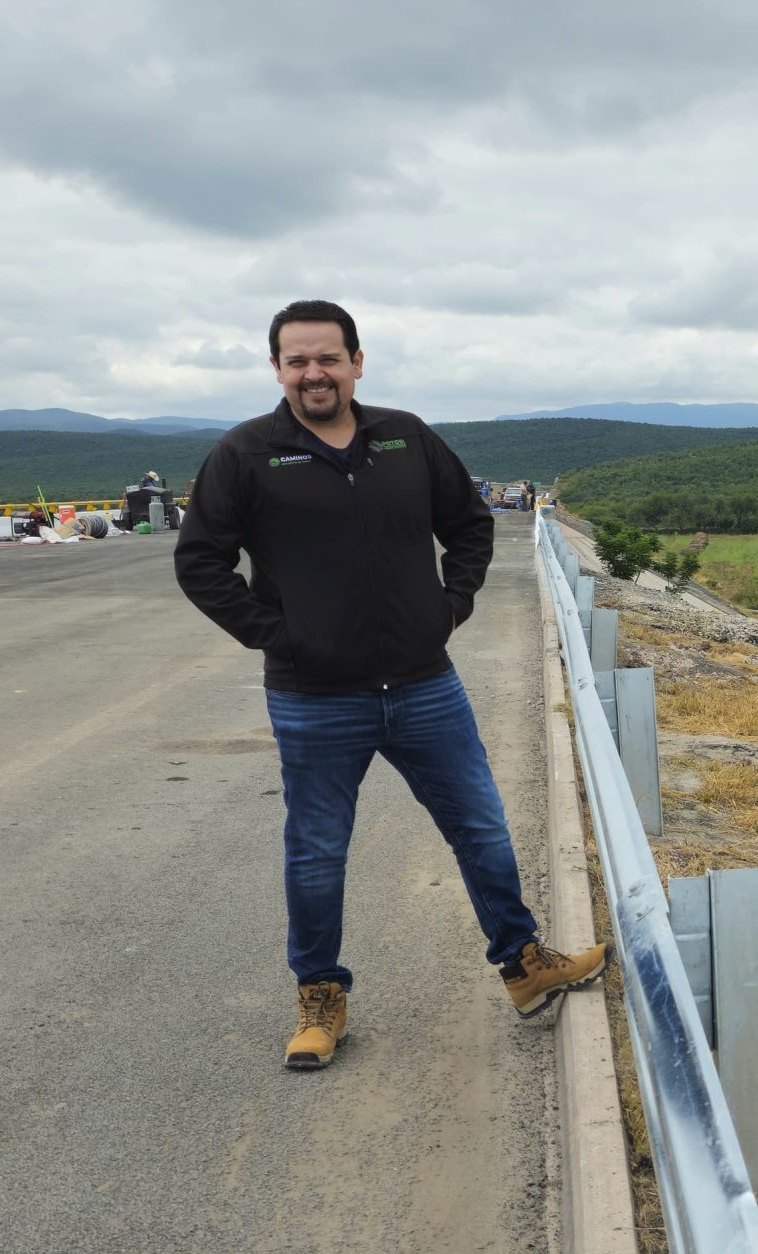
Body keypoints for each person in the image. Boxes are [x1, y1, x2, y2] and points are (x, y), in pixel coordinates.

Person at [174, 299, 605, 1071]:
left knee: (479, 826)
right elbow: (200, 563)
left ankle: (524, 964)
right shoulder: (246, 454)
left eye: (329, 357)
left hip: (421, 683)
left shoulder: (404, 437)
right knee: (316, 853)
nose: (315, 372)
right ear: (277, 368)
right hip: (313, 697)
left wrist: (451, 605)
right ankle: (320, 996)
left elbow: (470, 524)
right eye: (298, 360)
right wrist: (279, 633)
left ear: (357, 362)